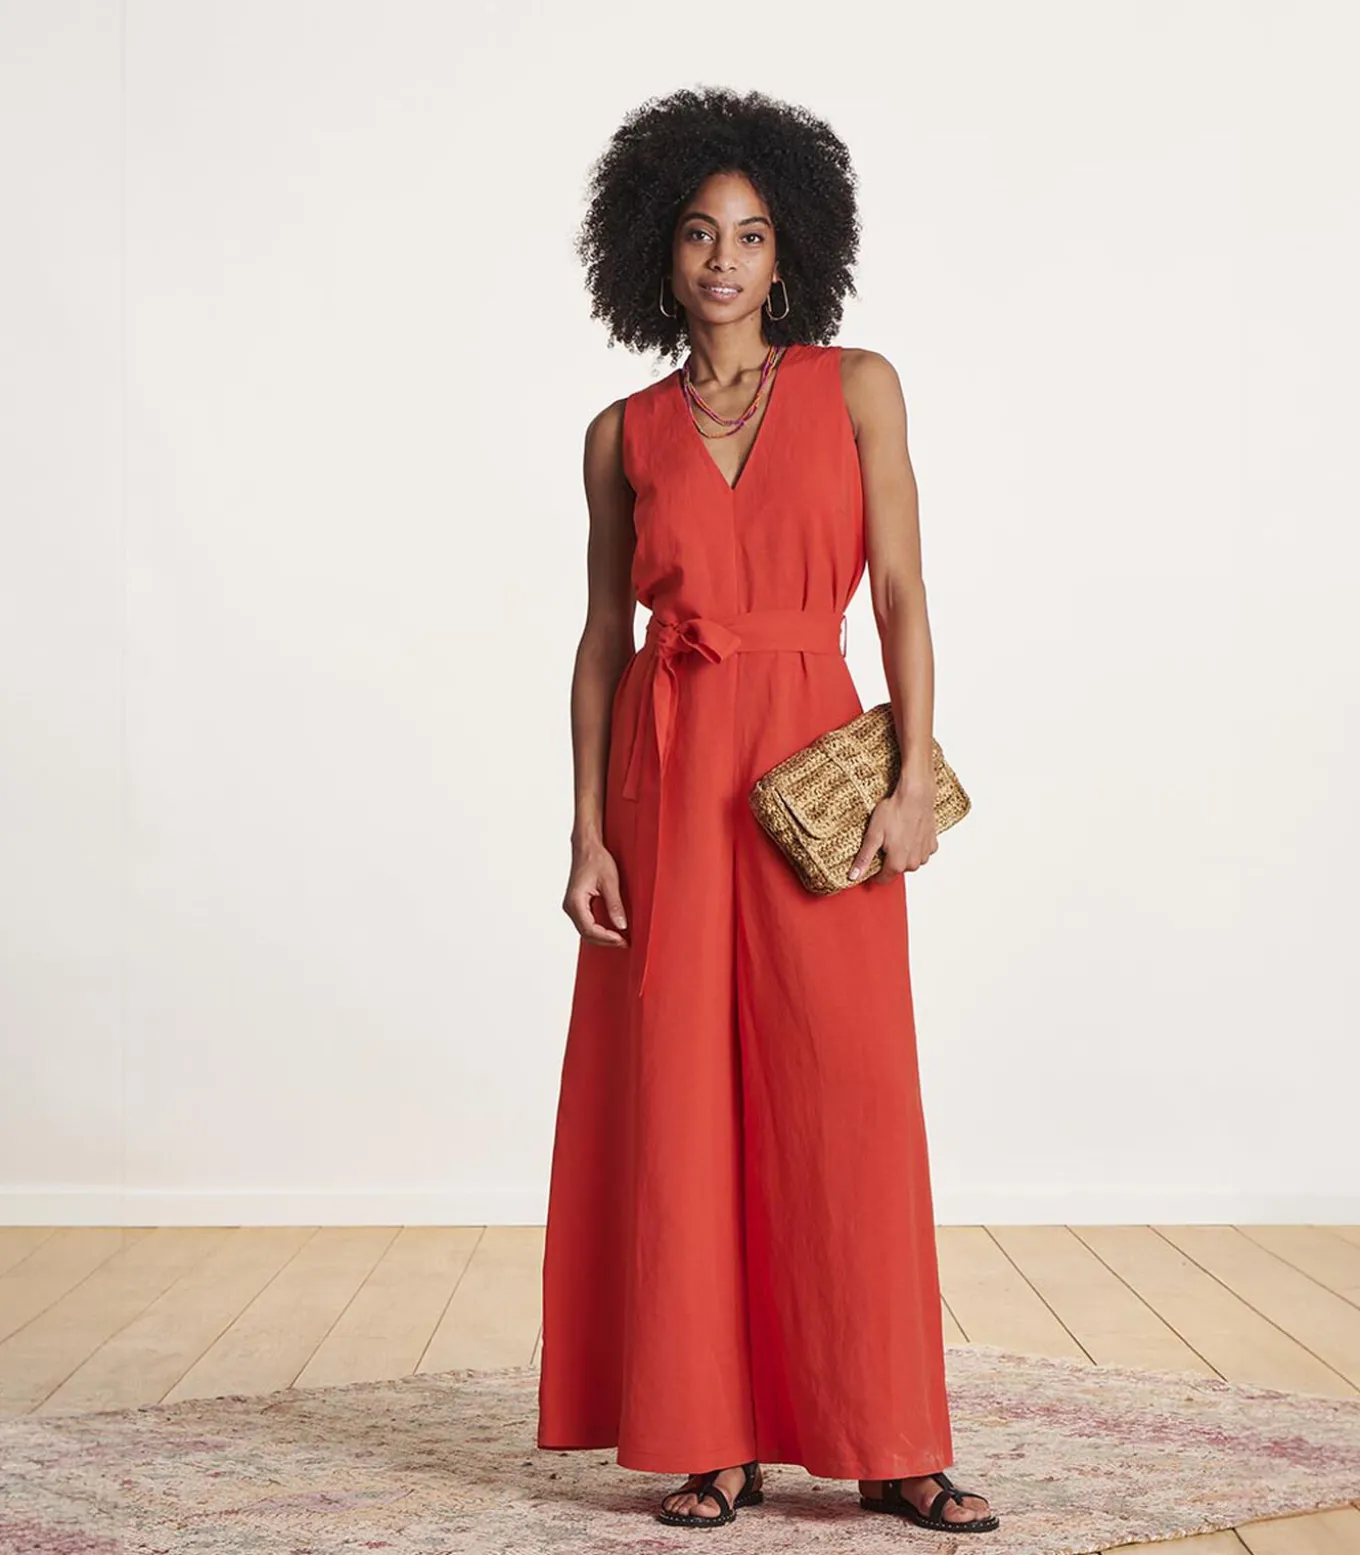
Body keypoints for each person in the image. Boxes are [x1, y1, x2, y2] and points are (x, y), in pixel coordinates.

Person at [536, 85, 998, 1535]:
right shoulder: (621, 434)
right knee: (681, 1105)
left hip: (813, 769)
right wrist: (587, 832)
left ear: (789, 249)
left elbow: (904, 592)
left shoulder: (858, 387)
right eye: (696, 233)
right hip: (669, 780)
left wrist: (914, 779)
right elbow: (602, 639)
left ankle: (892, 1440)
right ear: (657, 254)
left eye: (748, 234)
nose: (723, 259)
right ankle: (710, 1437)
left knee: (847, 1096)